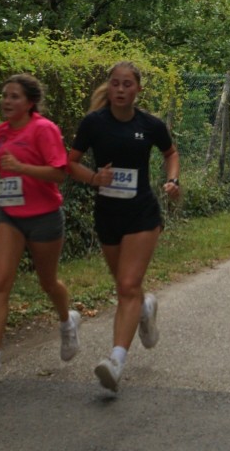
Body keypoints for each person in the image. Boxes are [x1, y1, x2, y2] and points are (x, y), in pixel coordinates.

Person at [68, 61, 180, 396]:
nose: (120, 89)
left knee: (128, 285)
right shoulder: (94, 123)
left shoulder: (150, 125)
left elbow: (171, 153)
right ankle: (144, 308)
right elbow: (70, 163)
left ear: (138, 90)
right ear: (110, 86)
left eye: (127, 84)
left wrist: (173, 180)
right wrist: (94, 178)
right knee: (125, 286)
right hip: (108, 214)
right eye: (115, 83)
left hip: (142, 213)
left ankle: (116, 360)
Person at [0, 74, 80, 385]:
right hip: (11, 216)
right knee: (0, 282)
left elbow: (59, 174)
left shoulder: (44, 129)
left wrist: (22, 168)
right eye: (4, 95)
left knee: (48, 282)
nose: (6, 101)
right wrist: (2, 199)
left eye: (14, 96)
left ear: (30, 102)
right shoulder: (0, 133)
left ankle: (67, 321)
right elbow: (8, 175)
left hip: (44, 216)